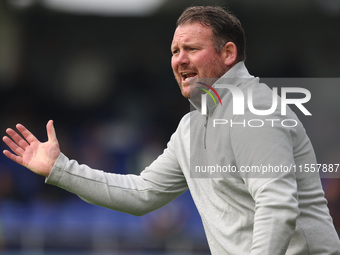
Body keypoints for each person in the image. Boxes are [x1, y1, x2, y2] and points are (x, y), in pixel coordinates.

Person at [3, 6, 340, 255]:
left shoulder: (255, 109)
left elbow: (277, 207)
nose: (179, 60)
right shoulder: (191, 126)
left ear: (229, 54)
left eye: (192, 49)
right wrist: (60, 169)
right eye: (175, 51)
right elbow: (142, 193)